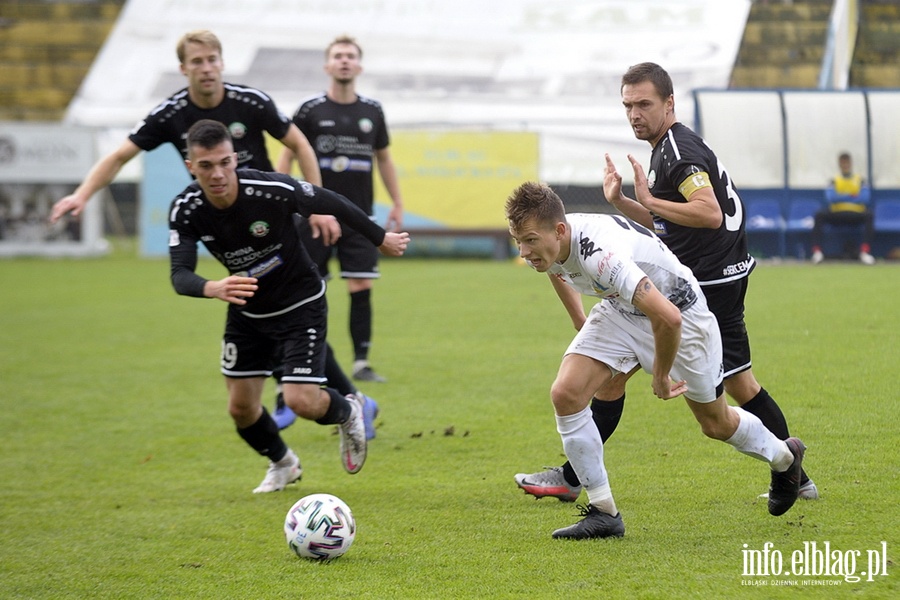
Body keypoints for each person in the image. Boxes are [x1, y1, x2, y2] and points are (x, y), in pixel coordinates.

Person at [515, 62, 817, 504]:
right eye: (628, 106)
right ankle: (576, 478)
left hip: (707, 284)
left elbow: (708, 212)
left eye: (644, 104)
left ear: (669, 103)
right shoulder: (665, 149)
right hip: (705, 274)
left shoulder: (678, 150)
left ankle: (791, 470)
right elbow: (666, 228)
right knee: (624, 381)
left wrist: (651, 200)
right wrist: (623, 202)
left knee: (727, 395)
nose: (635, 114)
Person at [48, 29, 376, 435]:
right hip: (223, 226)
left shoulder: (250, 101)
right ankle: (339, 399)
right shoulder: (169, 114)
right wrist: (82, 195)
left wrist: (315, 208)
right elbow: (119, 155)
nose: (206, 68)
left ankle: (324, 399)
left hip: (270, 220)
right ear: (184, 68)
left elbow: (301, 143)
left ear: (222, 62)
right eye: (197, 62)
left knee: (292, 304)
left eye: (212, 60)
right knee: (276, 310)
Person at [506, 182, 805, 539]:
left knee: (715, 423)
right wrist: (579, 321)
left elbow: (669, 319)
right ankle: (604, 513)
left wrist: (661, 376)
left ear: (558, 230)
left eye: (529, 240)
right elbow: (557, 268)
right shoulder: (555, 242)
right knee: (566, 393)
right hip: (623, 310)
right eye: (518, 241)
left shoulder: (601, 254)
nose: (524, 252)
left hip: (683, 315)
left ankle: (785, 459)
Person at [168, 119, 409, 493]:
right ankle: (283, 464)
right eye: (206, 166)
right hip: (247, 313)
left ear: (234, 159)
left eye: (223, 163)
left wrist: (380, 239)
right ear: (190, 166)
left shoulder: (268, 188)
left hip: (300, 303)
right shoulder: (186, 208)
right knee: (241, 409)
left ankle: (348, 411)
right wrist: (212, 286)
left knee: (300, 400)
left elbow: (334, 202)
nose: (217, 174)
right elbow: (180, 274)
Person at [278, 34, 404, 384]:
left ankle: (361, 362)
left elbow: (384, 158)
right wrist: (281, 196)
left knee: (361, 285)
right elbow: (288, 152)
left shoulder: (372, 111)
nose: (344, 60)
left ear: (359, 66)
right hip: (314, 216)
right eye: (338, 56)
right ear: (327, 65)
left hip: (359, 217)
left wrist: (397, 201)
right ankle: (312, 357)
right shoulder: (309, 110)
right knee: (309, 287)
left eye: (350, 56)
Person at [810, 152, 875, 265]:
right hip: (837, 214)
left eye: (847, 163)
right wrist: (852, 195)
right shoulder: (834, 180)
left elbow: (865, 198)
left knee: (870, 215)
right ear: (839, 164)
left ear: (851, 164)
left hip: (855, 214)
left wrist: (841, 195)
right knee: (819, 214)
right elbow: (831, 198)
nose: (845, 165)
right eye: (843, 163)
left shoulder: (860, 180)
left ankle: (865, 253)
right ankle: (817, 253)